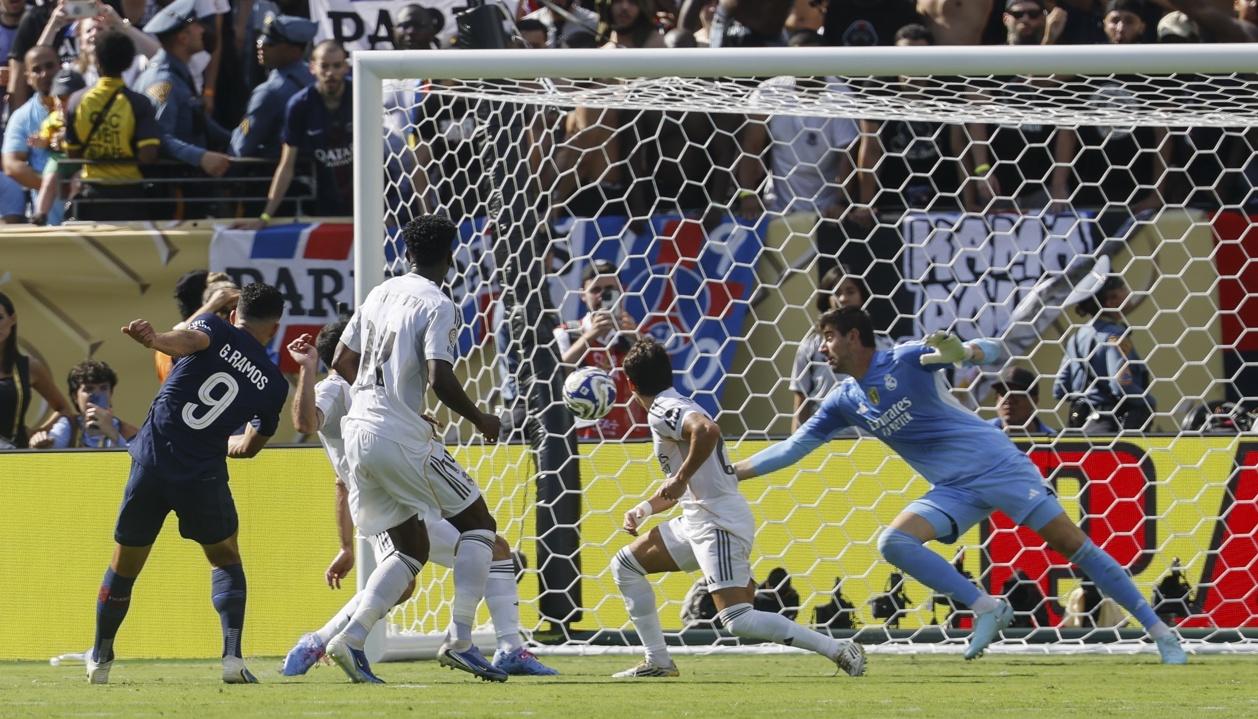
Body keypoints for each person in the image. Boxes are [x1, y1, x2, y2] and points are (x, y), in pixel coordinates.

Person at [734, 306, 1187, 663]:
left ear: (854, 337)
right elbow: (791, 449)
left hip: (997, 465)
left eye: (828, 339)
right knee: (894, 543)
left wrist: (964, 353)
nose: (822, 350)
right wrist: (732, 471)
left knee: (1074, 547)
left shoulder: (907, 358)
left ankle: (1162, 635)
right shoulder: (842, 401)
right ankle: (987, 607)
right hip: (954, 488)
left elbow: (993, 352)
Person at [279, 317, 557, 678]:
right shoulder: (334, 388)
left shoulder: (373, 397)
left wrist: (413, 421)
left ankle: (317, 642)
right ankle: (502, 647)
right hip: (384, 499)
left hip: (400, 496)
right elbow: (308, 427)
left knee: (430, 573)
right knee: (480, 549)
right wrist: (307, 371)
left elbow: (341, 480)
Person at [321, 215, 508, 682]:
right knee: (480, 525)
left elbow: (342, 360)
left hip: (358, 432)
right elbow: (438, 377)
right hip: (398, 435)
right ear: (450, 256)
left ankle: (349, 639)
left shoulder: (378, 293)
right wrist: (481, 418)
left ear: (406, 253)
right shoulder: (439, 303)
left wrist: (375, 398)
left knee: (409, 548)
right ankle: (461, 640)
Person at [611, 338, 866, 678]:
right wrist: (644, 509)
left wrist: (681, 477)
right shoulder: (675, 403)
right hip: (698, 519)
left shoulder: (661, 409)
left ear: (630, 384)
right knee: (626, 565)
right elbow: (685, 482)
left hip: (717, 523)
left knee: (738, 619)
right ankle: (658, 660)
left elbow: (708, 430)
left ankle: (838, 649)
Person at [85, 282, 289, 684]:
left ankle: (101, 656)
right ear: (275, 327)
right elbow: (249, 447)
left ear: (235, 314)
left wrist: (155, 339)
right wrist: (224, 441)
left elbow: (189, 339)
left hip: (153, 461)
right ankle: (232, 659)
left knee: (125, 565)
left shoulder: (215, 327)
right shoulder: (273, 383)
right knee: (225, 557)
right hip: (203, 473)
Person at [246, 40, 352, 226]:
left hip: (371, 201)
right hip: (327, 203)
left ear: (346, 67)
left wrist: (385, 207)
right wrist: (265, 216)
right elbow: (286, 166)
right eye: (324, 66)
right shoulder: (300, 105)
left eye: (336, 66)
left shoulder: (361, 94)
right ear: (312, 68)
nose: (330, 73)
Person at [62, 30, 161, 221]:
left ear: (97, 60)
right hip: (130, 196)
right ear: (130, 61)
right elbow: (148, 154)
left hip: (91, 193)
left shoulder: (76, 101)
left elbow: (72, 153)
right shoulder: (139, 103)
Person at [135, 0, 233, 187]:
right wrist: (201, 157)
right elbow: (159, 136)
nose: (202, 31)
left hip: (184, 179)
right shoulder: (164, 82)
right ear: (183, 38)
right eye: (196, 26)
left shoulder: (179, 74)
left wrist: (238, 137)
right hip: (171, 188)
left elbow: (201, 121)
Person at [554, 260, 646, 440]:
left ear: (621, 292)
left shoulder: (635, 335)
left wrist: (637, 338)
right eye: (595, 290)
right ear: (582, 294)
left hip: (633, 440)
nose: (602, 296)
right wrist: (589, 336)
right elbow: (554, 377)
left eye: (610, 289)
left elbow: (660, 380)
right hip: (582, 439)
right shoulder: (566, 333)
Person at [1052, 275, 1154, 432]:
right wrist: (1147, 400)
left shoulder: (1076, 338)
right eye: (1124, 290)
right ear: (1111, 301)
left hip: (1080, 427)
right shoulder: (1115, 336)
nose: (1128, 294)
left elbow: (1060, 389)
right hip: (1110, 427)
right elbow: (1121, 382)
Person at [791, 265, 886, 431]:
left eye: (850, 291)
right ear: (826, 298)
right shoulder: (811, 346)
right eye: (836, 292)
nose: (843, 299)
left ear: (862, 296)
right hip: (825, 440)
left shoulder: (881, 346)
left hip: (869, 442)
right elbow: (800, 402)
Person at [229, 14, 316, 160]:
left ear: (294, 50)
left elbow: (242, 146)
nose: (260, 44)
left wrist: (242, 125)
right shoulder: (315, 76)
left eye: (271, 43)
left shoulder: (269, 92)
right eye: (262, 38)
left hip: (274, 173)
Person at [0, 291, 76, 450]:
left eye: (0, 318)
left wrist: (37, 433)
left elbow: (63, 409)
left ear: (12, 319)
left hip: (13, 457)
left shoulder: (29, 367)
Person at [2, 46, 60, 223]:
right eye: (36, 70)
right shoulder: (22, 116)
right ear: (28, 78)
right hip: (50, 221)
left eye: (49, 66)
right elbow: (11, 165)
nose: (44, 74)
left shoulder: (82, 104)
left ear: (60, 67)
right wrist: (52, 188)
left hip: (91, 217)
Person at [30, 359, 138, 449]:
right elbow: (51, 448)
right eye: (89, 389)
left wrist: (111, 432)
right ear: (75, 397)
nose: (96, 395)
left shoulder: (128, 431)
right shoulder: (69, 425)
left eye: (103, 388)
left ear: (111, 393)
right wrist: (40, 444)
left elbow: (141, 464)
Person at [30, 67, 87, 226]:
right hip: (60, 159)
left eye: (68, 97)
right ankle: (40, 215)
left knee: (78, 182)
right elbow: (45, 138)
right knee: (48, 181)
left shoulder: (87, 117)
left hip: (80, 161)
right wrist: (40, 141)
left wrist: (67, 136)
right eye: (59, 97)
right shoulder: (53, 119)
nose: (63, 102)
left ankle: (71, 213)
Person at [989, 365, 1056, 435]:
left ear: (1034, 401)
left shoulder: (1054, 441)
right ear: (996, 398)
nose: (1009, 400)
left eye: (1017, 393)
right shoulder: (981, 434)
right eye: (1003, 393)